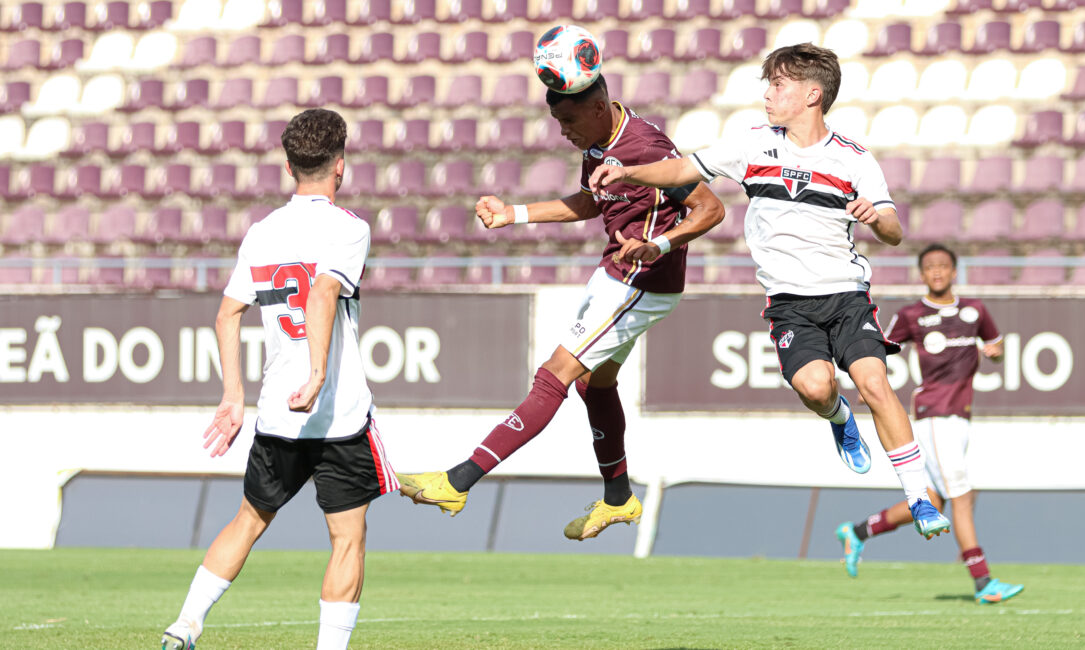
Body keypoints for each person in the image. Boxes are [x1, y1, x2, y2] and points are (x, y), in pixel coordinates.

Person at [588, 43, 951, 539]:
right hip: (790, 305)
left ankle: (919, 498)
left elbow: (893, 229)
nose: (768, 93)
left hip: (846, 295)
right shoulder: (754, 144)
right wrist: (629, 170)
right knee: (817, 387)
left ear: (812, 94)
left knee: (874, 382)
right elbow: (682, 170)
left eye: (779, 84)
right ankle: (838, 417)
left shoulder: (854, 159)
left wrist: (876, 217)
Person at [396, 75, 725, 541]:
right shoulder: (597, 141)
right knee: (596, 381)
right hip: (615, 272)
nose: (563, 131)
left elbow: (710, 208)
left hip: (642, 279)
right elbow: (592, 203)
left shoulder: (646, 147)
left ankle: (458, 481)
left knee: (555, 374)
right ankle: (619, 499)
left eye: (568, 120)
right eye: (557, 121)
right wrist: (515, 214)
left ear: (598, 108)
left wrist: (661, 245)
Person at [162, 109, 396, 650]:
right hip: (336, 415)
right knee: (347, 540)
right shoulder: (349, 228)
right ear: (341, 166)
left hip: (275, 415)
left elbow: (226, 314)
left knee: (248, 519)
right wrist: (317, 374)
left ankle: (186, 623)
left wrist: (233, 397)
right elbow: (322, 292)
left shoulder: (262, 232)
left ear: (289, 165)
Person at [835, 244, 1024, 604]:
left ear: (955, 271)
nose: (937, 272)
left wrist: (996, 353)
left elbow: (995, 344)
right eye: (930, 267)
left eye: (943, 266)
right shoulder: (912, 314)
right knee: (963, 497)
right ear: (922, 275)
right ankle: (984, 583)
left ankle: (857, 531)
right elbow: (879, 345)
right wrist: (868, 383)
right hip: (934, 414)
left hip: (961, 416)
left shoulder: (975, 310)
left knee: (932, 500)